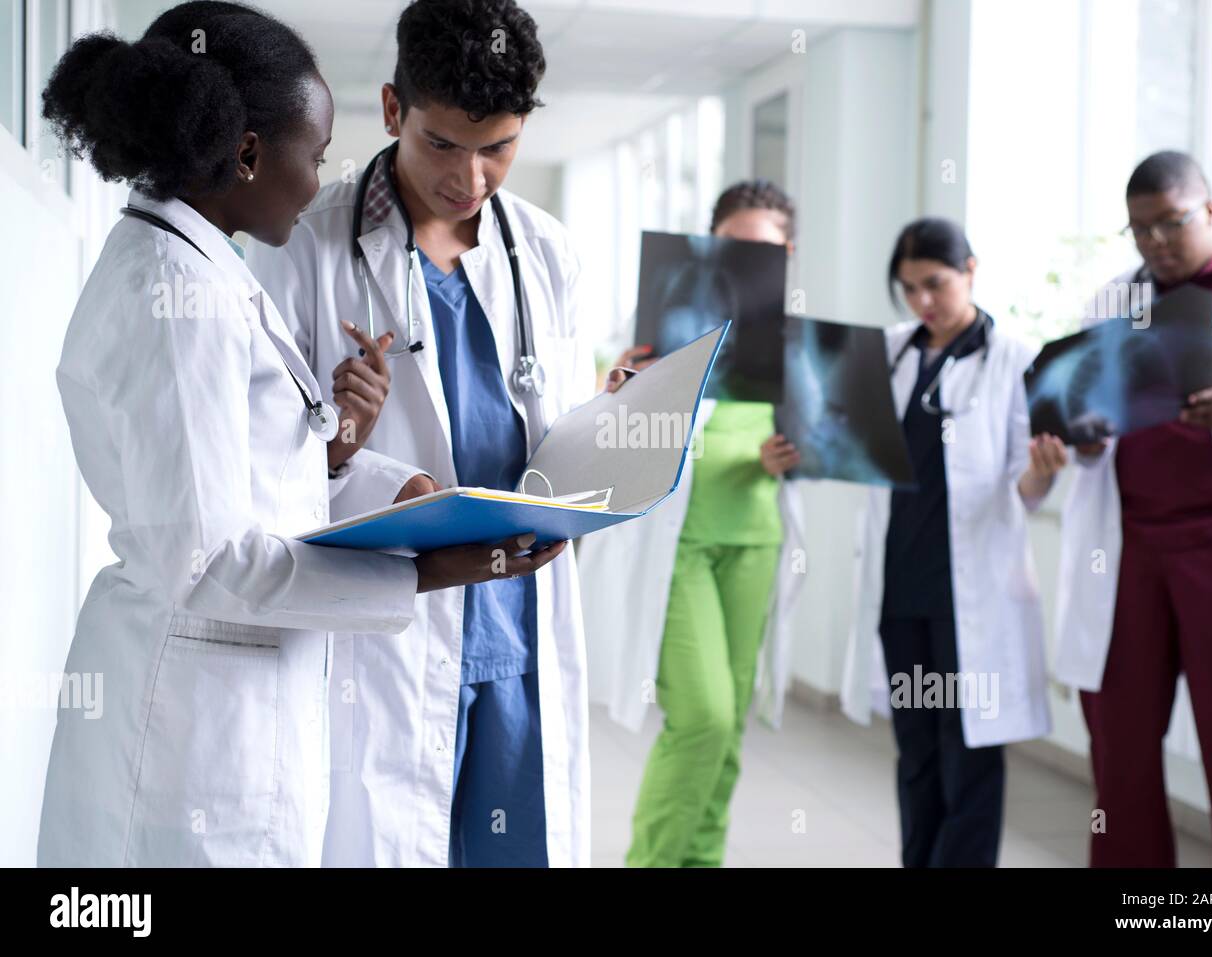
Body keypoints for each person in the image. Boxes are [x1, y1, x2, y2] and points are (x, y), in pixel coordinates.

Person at [35, 0, 562, 868]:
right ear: (246, 154)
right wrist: (425, 566)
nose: (322, 182)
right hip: (195, 732)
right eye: (313, 158)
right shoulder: (183, 298)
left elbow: (250, 471)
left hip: (233, 700)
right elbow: (203, 558)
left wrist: (385, 481)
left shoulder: (200, 267)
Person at [247, 0, 593, 867]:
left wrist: (621, 425)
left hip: (518, 615)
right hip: (387, 624)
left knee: (518, 846)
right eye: (444, 143)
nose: (470, 179)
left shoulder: (548, 255)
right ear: (394, 109)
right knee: (390, 837)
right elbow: (260, 461)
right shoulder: (306, 246)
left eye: (499, 148)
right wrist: (352, 454)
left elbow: (559, 435)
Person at [1054, 150, 1212, 867]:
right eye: (1140, 230)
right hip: (1127, 546)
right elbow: (1081, 413)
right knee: (1119, 740)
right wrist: (1086, 443)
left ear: (1211, 210)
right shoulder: (1111, 300)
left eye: (1171, 223)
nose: (1156, 243)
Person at [582, 180, 807, 868]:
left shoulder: (798, 345)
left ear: (788, 253)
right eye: (732, 247)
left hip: (756, 540)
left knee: (730, 726)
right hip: (677, 545)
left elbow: (826, 438)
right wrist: (619, 390)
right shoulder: (663, 325)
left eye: (762, 250)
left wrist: (789, 456)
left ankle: (701, 859)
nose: (746, 261)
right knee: (702, 718)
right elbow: (608, 428)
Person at [840, 217, 1063, 868]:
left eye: (934, 284)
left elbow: (1023, 485)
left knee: (969, 751)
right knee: (918, 751)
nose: (921, 302)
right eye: (907, 289)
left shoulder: (1016, 359)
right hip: (901, 588)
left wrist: (1041, 472)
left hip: (973, 593)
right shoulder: (887, 351)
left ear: (970, 268)